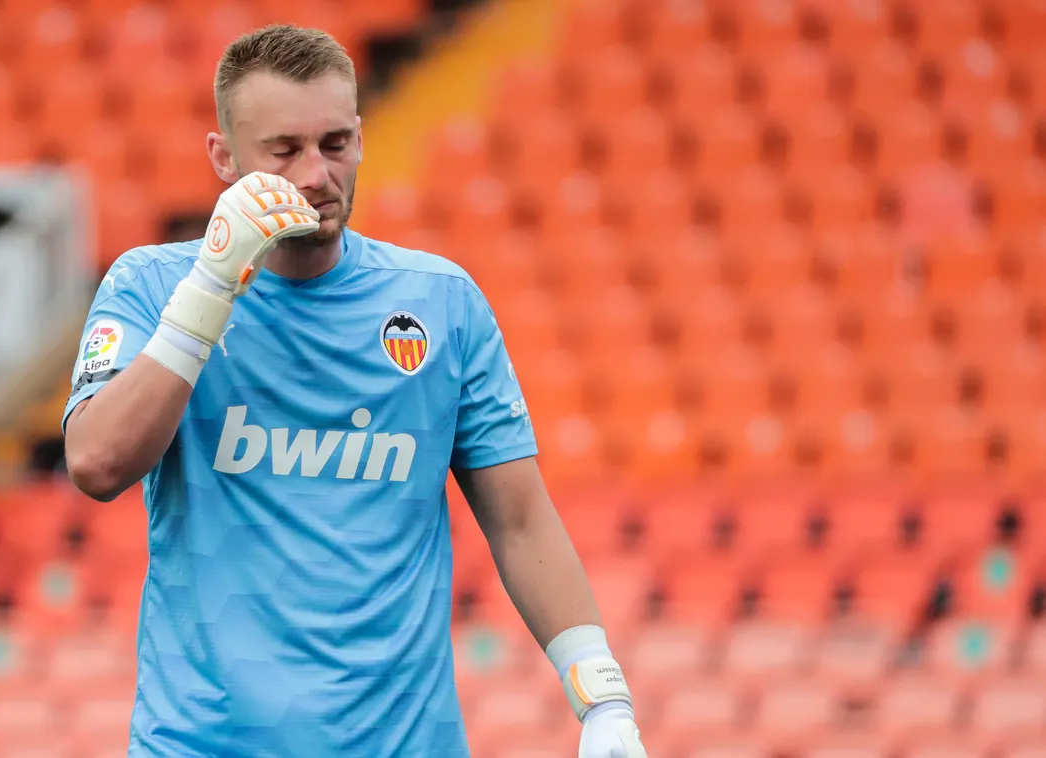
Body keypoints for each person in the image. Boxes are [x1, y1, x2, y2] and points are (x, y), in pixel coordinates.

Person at [62, 25, 646, 758]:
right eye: (284, 151)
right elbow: (96, 462)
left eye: (335, 144)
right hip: (205, 744)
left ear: (362, 139)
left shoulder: (441, 302)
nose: (315, 174)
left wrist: (601, 696)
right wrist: (211, 287)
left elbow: (521, 519)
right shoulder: (151, 285)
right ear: (224, 157)